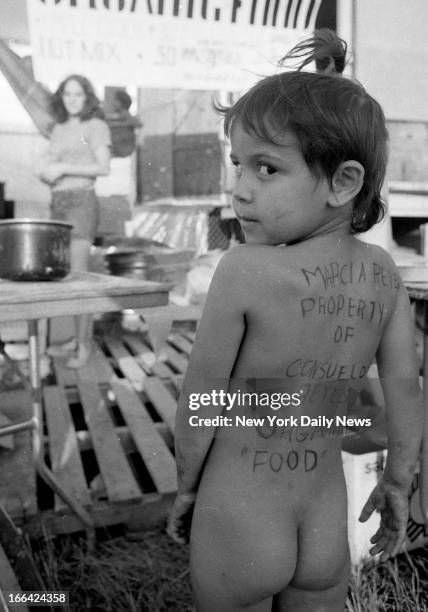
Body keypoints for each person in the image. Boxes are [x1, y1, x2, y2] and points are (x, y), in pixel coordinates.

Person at [167, 30, 425, 612]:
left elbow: (200, 397)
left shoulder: (244, 271)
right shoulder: (383, 275)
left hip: (239, 517)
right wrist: (397, 482)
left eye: (266, 169)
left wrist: (186, 488)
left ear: (343, 183)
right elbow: (404, 394)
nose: (239, 191)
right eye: (238, 166)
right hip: (323, 527)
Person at [38, 74, 111, 368]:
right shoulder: (58, 128)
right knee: (62, 277)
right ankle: (73, 339)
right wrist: (44, 170)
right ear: (60, 97)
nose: (72, 99)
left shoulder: (96, 126)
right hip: (58, 204)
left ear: (87, 97)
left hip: (81, 204)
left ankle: (83, 345)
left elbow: (103, 167)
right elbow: (49, 165)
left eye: (78, 94)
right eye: (67, 93)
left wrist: (62, 168)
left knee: (80, 278)